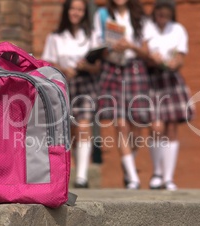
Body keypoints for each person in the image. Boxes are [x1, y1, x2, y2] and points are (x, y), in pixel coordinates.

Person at [41, 0, 100, 188]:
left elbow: (97, 66)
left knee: (84, 125)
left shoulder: (90, 36)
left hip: (85, 83)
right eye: (74, 9)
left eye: (80, 10)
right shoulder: (55, 37)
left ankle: (82, 177)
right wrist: (63, 69)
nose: (77, 13)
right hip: (63, 84)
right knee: (71, 130)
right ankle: (72, 169)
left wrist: (86, 66)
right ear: (67, 11)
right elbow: (47, 63)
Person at [93, 0, 152, 189]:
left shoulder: (141, 18)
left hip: (135, 69)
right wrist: (111, 48)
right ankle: (133, 178)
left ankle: (128, 166)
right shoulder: (102, 15)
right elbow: (96, 47)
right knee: (120, 123)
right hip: (112, 68)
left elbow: (147, 51)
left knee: (138, 124)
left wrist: (131, 47)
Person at [145, 1, 195, 191]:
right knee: (156, 126)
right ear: (155, 14)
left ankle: (168, 178)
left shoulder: (178, 30)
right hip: (153, 79)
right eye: (159, 14)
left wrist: (175, 62)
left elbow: (181, 57)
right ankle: (157, 173)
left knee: (172, 126)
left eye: (166, 15)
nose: (162, 19)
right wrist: (151, 59)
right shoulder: (148, 28)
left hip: (171, 79)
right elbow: (143, 52)